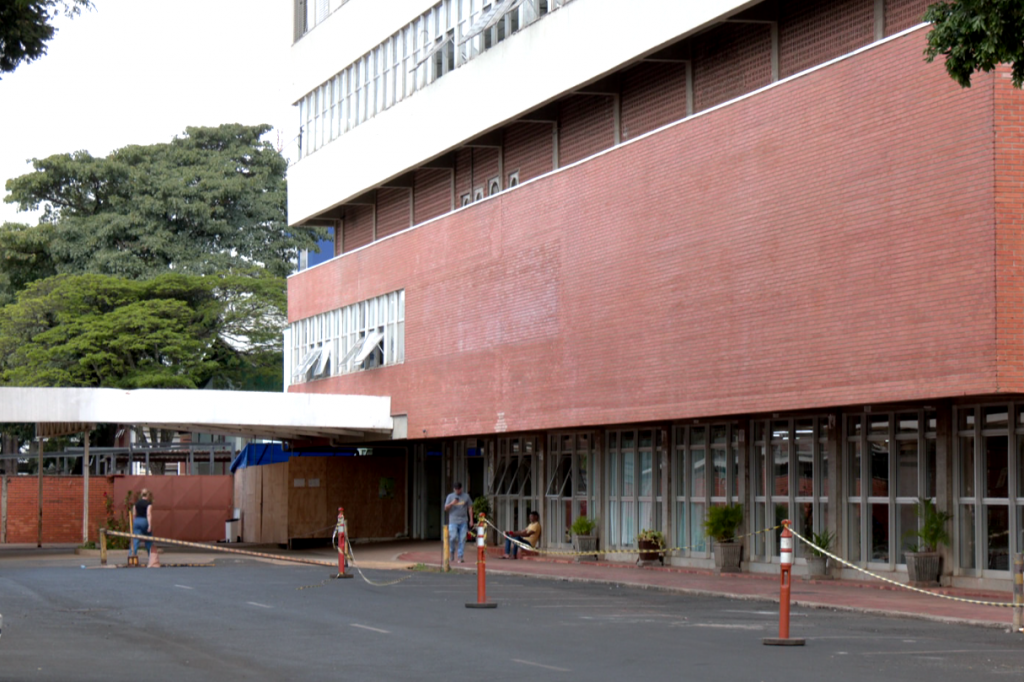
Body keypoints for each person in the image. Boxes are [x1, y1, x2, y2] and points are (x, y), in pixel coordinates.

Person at [444, 482, 472, 563]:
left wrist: (471, 520)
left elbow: (470, 508)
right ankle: (452, 552)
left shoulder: (466, 496)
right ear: (454, 489)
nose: (457, 491)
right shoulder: (450, 496)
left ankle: (460, 556)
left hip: (463, 520)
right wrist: (452, 503)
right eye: (456, 490)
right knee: (452, 537)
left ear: (461, 488)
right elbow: (446, 509)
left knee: (462, 538)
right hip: (453, 520)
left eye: (459, 490)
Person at [132, 489, 154, 561]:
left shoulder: (136, 504)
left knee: (135, 540)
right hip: (144, 521)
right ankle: (151, 557)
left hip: (137, 521)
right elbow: (148, 514)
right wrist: (149, 525)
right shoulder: (148, 504)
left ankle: (132, 557)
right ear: (148, 496)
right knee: (148, 540)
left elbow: (134, 514)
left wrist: (134, 523)